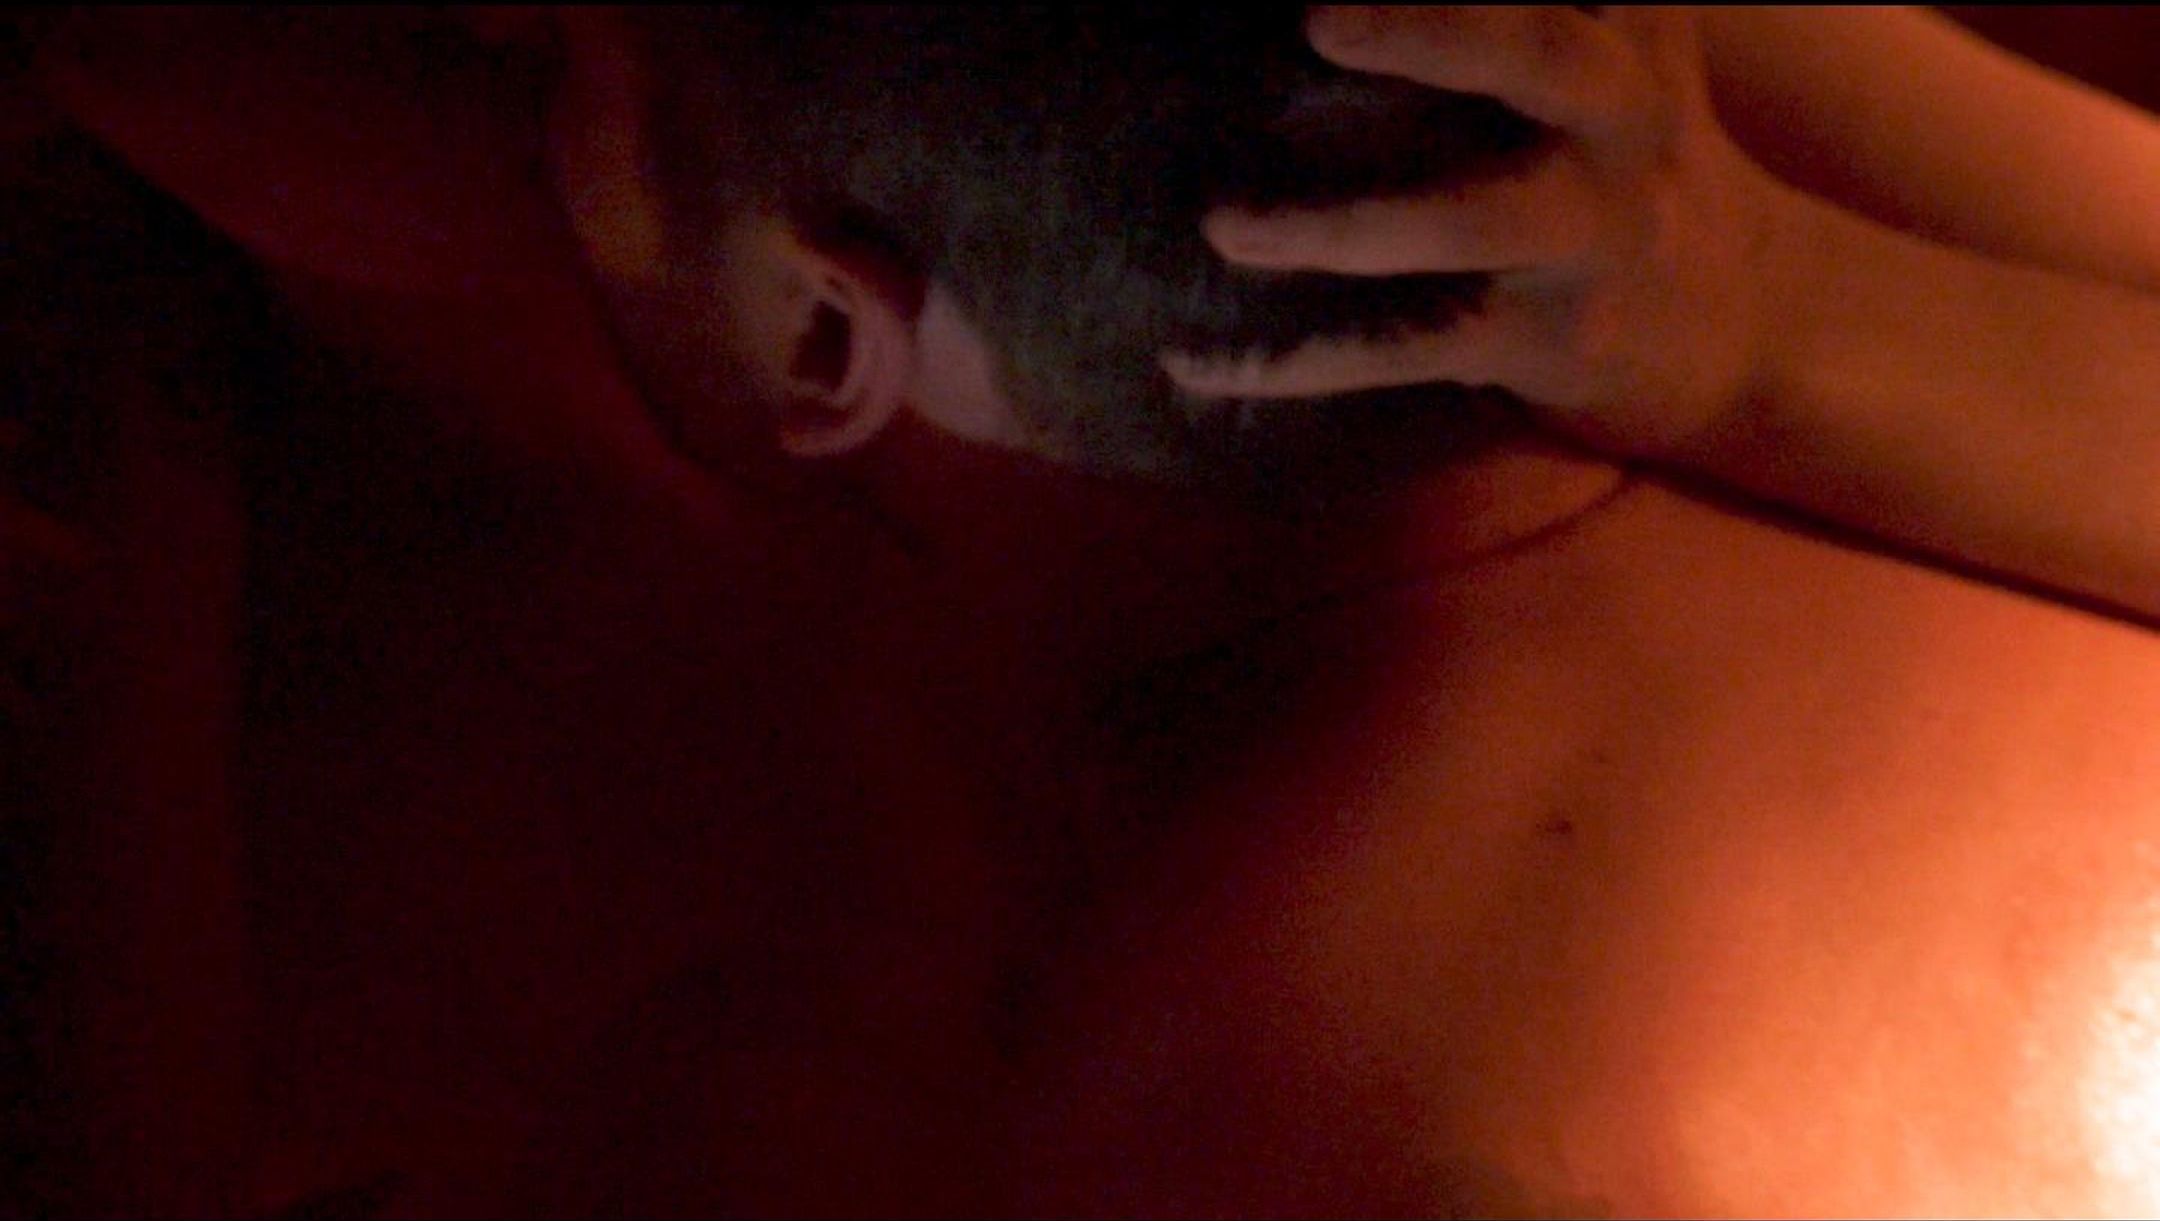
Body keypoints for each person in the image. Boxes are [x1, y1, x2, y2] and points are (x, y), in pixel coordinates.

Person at [10, 5, 2160, 1216]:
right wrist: (1774, 312)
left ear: (828, 333)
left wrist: (125, 578)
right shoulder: (1594, 112)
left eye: (533, 71)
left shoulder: (1123, 1101)